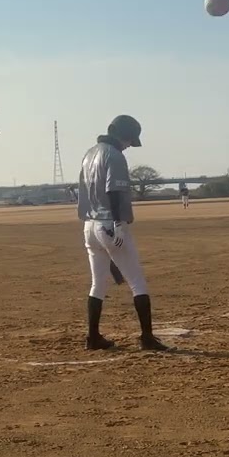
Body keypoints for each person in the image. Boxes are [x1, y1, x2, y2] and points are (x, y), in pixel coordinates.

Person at [75, 115, 171, 352]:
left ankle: (93, 337)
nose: (129, 145)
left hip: (90, 225)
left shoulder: (89, 154)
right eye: (129, 140)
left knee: (97, 284)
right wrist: (118, 222)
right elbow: (115, 191)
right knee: (137, 282)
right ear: (122, 135)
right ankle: (147, 338)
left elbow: (83, 194)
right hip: (110, 223)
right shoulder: (115, 156)